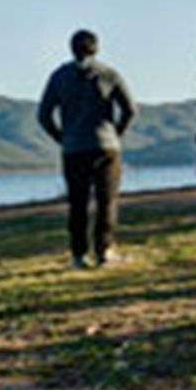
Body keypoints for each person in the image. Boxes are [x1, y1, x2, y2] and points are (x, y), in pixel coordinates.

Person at [38, 28, 137, 267]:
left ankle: (78, 254)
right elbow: (130, 109)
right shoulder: (109, 74)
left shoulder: (59, 76)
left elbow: (43, 115)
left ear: (71, 49)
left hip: (73, 147)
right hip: (106, 146)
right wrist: (116, 133)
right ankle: (104, 251)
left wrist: (61, 137)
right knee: (107, 201)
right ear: (96, 48)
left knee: (78, 202)